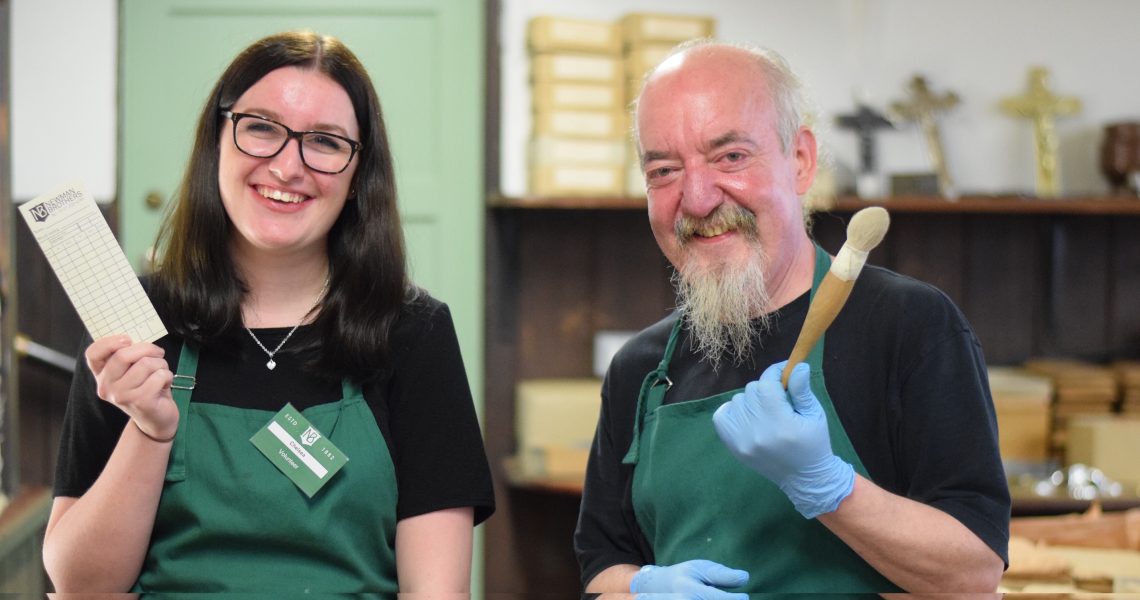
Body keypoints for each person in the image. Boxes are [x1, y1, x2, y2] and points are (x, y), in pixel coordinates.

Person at [42, 30, 494, 594]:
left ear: (359, 177)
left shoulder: (413, 331)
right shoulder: (137, 322)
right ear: (217, 145)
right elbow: (82, 584)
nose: (287, 166)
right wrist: (150, 432)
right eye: (260, 128)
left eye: (326, 142)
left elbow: (436, 591)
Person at [574, 40, 1010, 596]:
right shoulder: (640, 369)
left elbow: (973, 575)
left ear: (800, 159)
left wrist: (826, 487)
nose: (699, 198)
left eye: (730, 156)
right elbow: (601, 566)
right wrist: (636, 591)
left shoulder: (908, 327)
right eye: (664, 170)